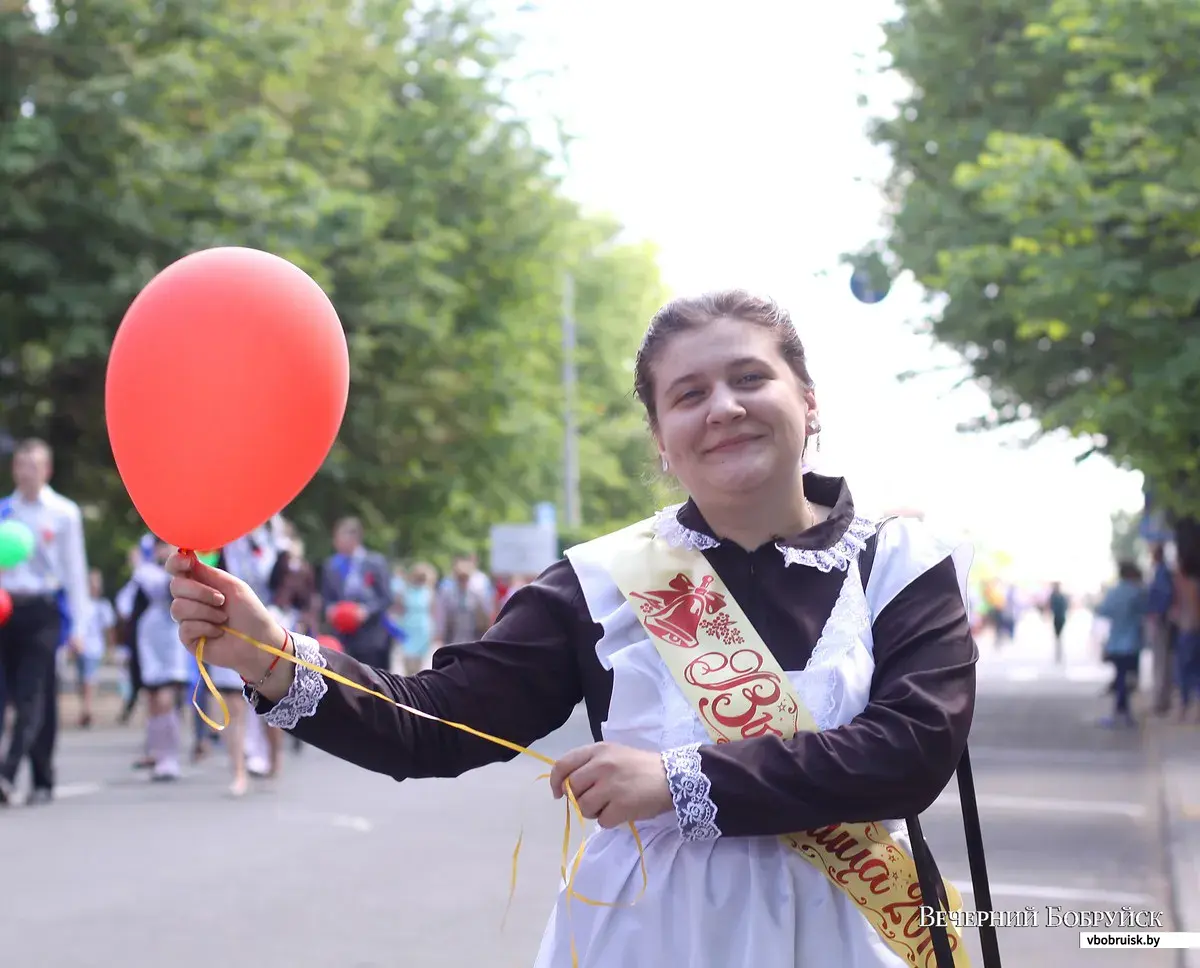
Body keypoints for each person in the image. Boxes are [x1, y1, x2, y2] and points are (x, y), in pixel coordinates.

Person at [166, 290, 979, 968]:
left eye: (748, 378)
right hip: (651, 940)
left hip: (853, 936)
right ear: (662, 441)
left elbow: (910, 752)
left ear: (806, 401)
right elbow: (434, 726)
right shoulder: (600, 581)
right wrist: (271, 657)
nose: (723, 408)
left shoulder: (899, 563)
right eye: (688, 395)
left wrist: (676, 779)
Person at [0, 438, 91, 806]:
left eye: (33, 466)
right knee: (12, 694)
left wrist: (81, 628)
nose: (26, 472)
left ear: (47, 470)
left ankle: (16, 774)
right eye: (21, 465)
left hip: (44, 611)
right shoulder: (6, 510)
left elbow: (75, 570)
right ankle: (33, 774)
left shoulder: (64, 513)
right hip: (7, 609)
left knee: (32, 693)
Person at [1094, 560, 1147, 728]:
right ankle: (1123, 714)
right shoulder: (1137, 592)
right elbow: (1145, 612)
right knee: (1127, 679)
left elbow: (1102, 611)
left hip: (1116, 642)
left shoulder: (1113, 592)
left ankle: (1121, 713)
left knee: (1121, 677)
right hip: (1131, 643)